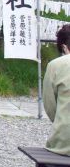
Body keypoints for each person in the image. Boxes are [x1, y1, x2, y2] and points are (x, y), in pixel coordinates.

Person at [43, 24, 70, 157]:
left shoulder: (56, 65)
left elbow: (50, 106)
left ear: (64, 47)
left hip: (63, 143)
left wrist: (61, 119)